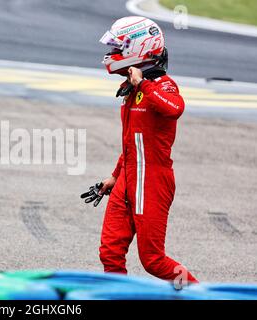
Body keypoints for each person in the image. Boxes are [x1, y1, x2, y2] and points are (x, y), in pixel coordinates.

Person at [96, 16, 198, 283]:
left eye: (119, 48)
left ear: (138, 49)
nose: (112, 54)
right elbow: (132, 142)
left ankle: (201, 294)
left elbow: (175, 108)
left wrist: (144, 85)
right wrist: (115, 176)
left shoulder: (162, 85)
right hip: (127, 179)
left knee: (153, 260)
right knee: (110, 252)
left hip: (152, 180)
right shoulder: (131, 88)